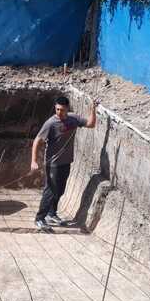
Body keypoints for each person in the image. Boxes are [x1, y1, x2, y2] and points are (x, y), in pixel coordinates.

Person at [31, 96, 98, 230]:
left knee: (60, 190)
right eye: (57, 109)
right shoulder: (50, 123)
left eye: (62, 110)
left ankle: (51, 213)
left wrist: (93, 109)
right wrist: (33, 160)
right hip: (53, 163)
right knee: (50, 191)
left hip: (66, 162)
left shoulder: (73, 119)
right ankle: (40, 218)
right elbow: (37, 140)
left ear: (67, 108)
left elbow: (90, 124)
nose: (59, 112)